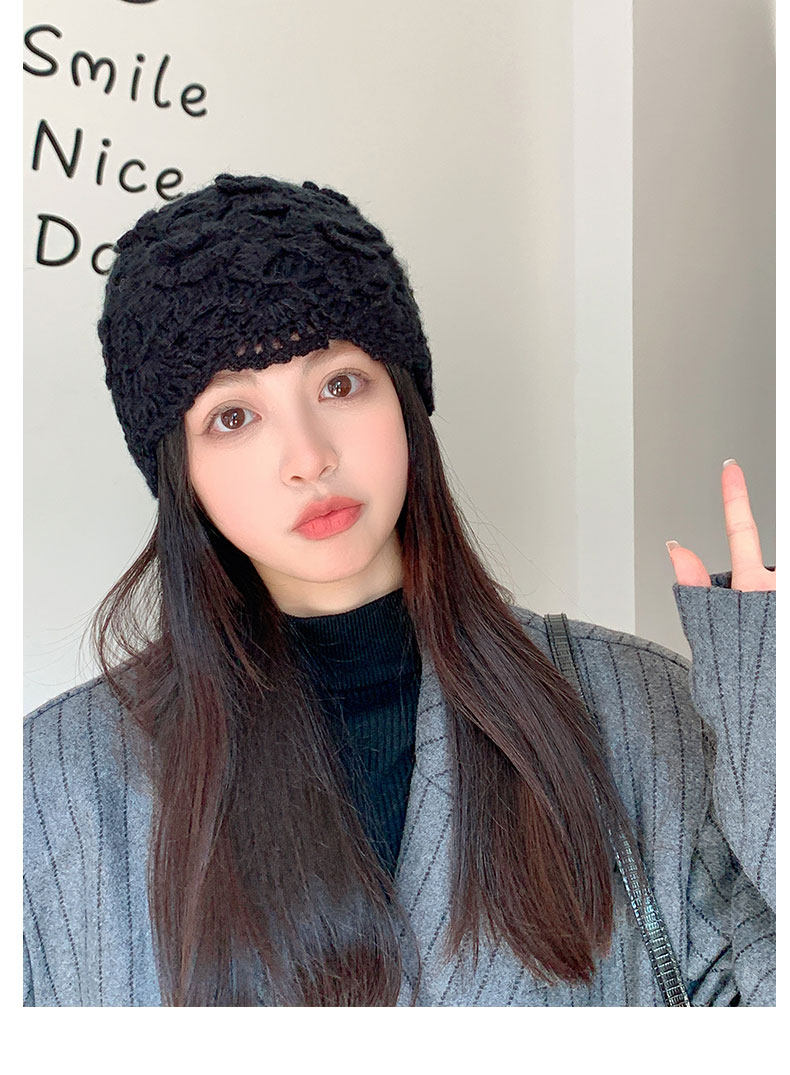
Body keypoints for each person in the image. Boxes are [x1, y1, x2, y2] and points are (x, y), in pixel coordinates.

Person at [22, 173, 776, 1006]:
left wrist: (767, 719)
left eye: (339, 384)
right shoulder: (51, 788)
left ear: (406, 398)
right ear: (180, 472)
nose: (308, 456)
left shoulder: (643, 712)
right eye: (233, 416)